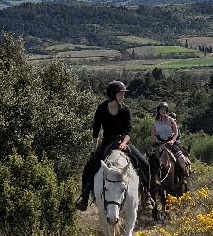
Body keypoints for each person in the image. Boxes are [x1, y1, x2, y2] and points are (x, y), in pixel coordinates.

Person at [78, 80, 150, 210]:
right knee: (89, 167)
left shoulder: (125, 110)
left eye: (123, 94)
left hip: (123, 141)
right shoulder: (102, 108)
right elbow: (96, 129)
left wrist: (123, 143)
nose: (123, 97)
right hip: (107, 141)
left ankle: (148, 196)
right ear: (113, 94)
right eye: (121, 94)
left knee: (145, 164)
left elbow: (128, 131)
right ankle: (84, 197)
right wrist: (95, 148)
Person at [149, 102, 190, 172]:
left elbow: (176, 132)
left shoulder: (171, 120)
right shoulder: (154, 122)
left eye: (165, 110)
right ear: (158, 110)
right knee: (147, 158)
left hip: (171, 143)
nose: (163, 111)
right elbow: (152, 134)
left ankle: (183, 176)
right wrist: (157, 141)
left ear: (166, 111)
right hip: (159, 143)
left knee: (181, 158)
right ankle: (148, 179)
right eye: (161, 109)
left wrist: (172, 141)